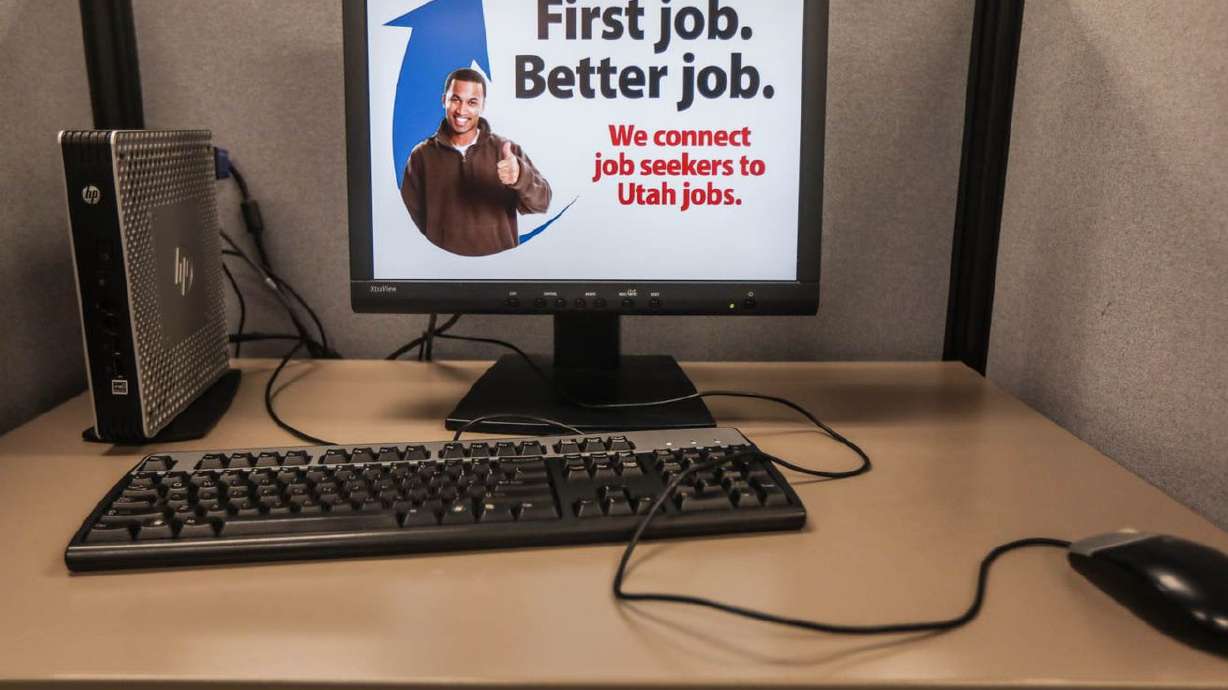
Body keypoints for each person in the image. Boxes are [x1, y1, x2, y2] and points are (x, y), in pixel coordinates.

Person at [400, 68, 552, 257]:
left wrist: (520, 176)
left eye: (472, 102)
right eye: (455, 99)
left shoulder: (506, 150)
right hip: (442, 268)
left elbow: (542, 202)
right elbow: (408, 224)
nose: (462, 110)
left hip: (500, 268)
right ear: (444, 100)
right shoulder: (421, 156)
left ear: (482, 106)